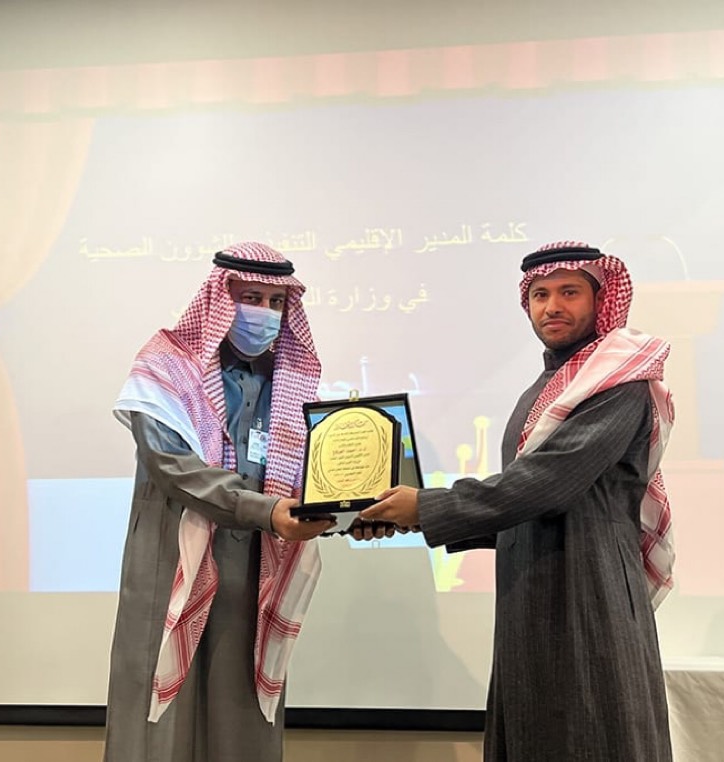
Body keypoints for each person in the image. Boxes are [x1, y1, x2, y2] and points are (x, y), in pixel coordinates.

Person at [361, 241, 676, 761]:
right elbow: (525, 500)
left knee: (594, 731)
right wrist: (406, 515)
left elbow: (545, 484)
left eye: (569, 292)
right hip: (530, 590)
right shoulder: (546, 388)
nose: (552, 306)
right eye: (540, 295)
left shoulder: (618, 383)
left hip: (590, 590)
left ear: (601, 299)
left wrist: (428, 508)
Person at [104, 242, 333, 762]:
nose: (265, 313)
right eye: (251, 298)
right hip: (171, 560)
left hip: (253, 568)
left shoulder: (287, 382)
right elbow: (173, 468)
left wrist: (349, 508)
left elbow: (307, 476)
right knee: (159, 720)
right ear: (220, 297)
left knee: (242, 716)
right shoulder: (166, 369)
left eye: (277, 303)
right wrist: (264, 510)